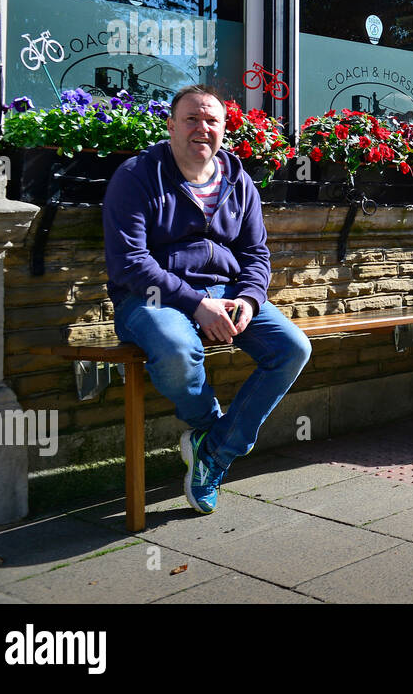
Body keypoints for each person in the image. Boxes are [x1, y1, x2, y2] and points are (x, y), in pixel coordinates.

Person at [104, 85, 311, 515]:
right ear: (171, 126)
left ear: (223, 129)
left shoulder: (238, 179)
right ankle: (210, 430)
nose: (202, 128)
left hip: (228, 293)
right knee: (179, 350)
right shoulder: (138, 175)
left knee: (293, 348)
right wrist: (195, 304)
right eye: (191, 119)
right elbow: (129, 262)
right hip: (152, 297)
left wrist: (250, 302)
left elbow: (256, 256)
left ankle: (214, 452)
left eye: (212, 121)